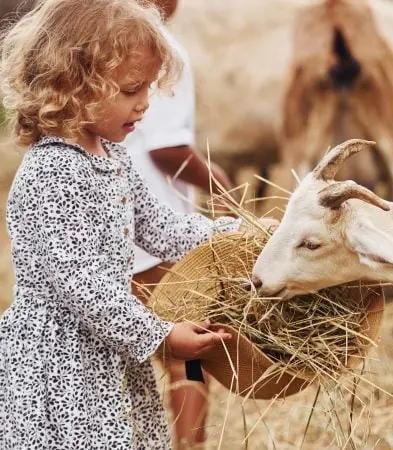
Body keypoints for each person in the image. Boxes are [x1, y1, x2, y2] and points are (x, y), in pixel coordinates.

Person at [0, 1, 244, 448]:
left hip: (105, 348)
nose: (146, 103)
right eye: (132, 89)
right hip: (63, 362)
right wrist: (160, 334)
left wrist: (236, 235)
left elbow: (162, 229)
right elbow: (82, 284)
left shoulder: (113, 157)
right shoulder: (52, 172)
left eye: (149, 88)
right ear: (71, 86)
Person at [124, 1, 234, 448]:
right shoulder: (161, 49)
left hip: (121, 234)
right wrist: (222, 186)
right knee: (185, 358)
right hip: (155, 242)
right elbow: (167, 150)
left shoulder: (97, 45)